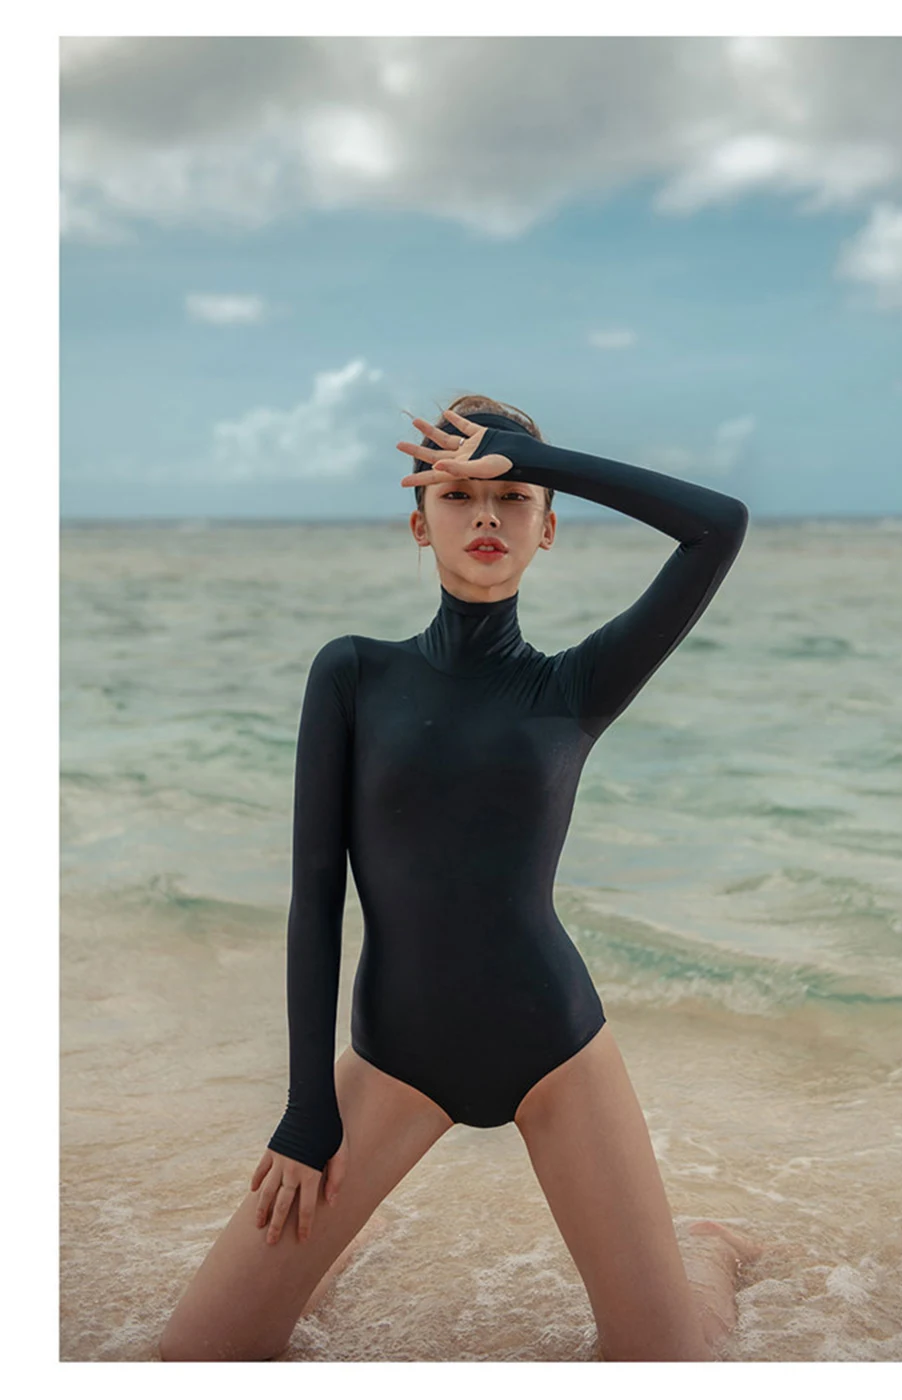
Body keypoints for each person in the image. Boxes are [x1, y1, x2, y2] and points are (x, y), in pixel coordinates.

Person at [158, 394, 762, 1363]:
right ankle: (349, 1250)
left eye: (513, 496)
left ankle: (704, 1251)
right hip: (395, 1053)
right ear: (419, 523)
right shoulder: (355, 674)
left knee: (664, 1364)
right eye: (458, 494)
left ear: (548, 528)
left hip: (555, 1045)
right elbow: (316, 895)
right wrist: (307, 1109)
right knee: (197, 1357)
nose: (487, 515)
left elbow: (717, 526)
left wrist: (532, 454)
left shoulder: (576, 686)